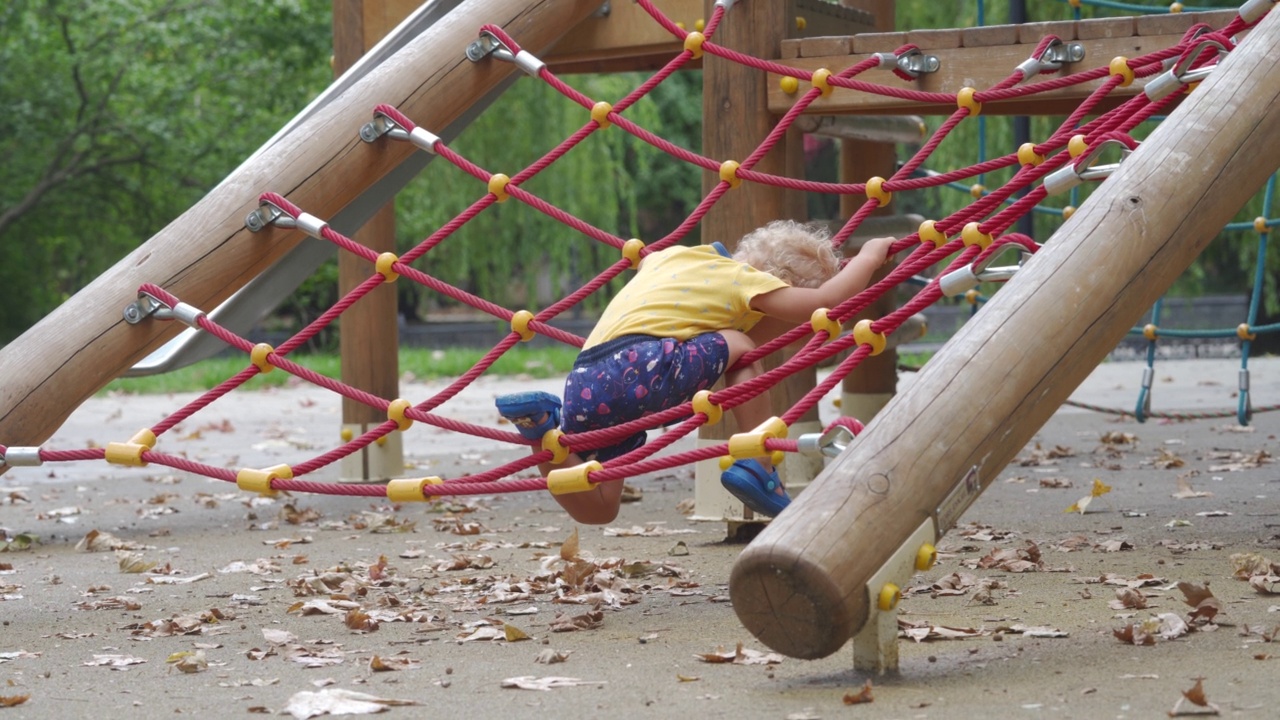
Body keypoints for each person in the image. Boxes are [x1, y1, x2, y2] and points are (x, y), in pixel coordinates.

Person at [496, 220, 895, 524]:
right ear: (780, 285)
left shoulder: (671, 257)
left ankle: (540, 431)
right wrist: (869, 257)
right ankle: (758, 462)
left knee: (599, 507)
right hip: (645, 365)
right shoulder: (743, 280)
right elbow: (823, 302)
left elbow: (654, 273)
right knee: (740, 346)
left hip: (586, 378)